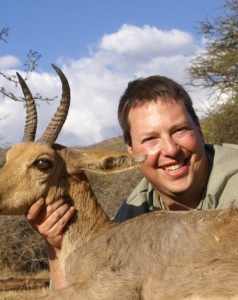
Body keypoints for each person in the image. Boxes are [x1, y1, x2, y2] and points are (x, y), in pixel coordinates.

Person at [26, 75, 238, 290]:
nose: (171, 150)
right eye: (150, 139)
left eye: (180, 130)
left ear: (200, 132)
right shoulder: (134, 212)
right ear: (131, 150)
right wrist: (57, 248)